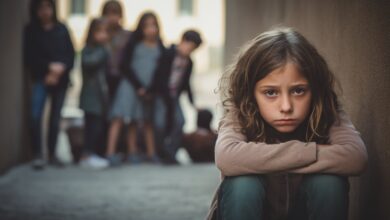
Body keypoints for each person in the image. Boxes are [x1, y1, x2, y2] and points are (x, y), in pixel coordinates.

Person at [206, 27, 368, 220]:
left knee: (328, 183)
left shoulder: (326, 109)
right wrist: (308, 153)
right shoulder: (241, 112)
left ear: (314, 89)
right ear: (251, 93)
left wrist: (269, 159)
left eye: (298, 91)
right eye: (271, 92)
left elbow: (355, 157)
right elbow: (227, 158)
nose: (286, 106)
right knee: (244, 184)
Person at [106, 12, 164, 165]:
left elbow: (160, 72)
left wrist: (149, 89)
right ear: (141, 28)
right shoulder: (134, 43)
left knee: (140, 119)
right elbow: (124, 66)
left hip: (147, 90)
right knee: (118, 117)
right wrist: (138, 86)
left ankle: (136, 153)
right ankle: (110, 153)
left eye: (154, 25)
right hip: (130, 86)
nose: (151, 29)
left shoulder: (160, 46)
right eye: (147, 26)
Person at [24, 0, 75, 170]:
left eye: (48, 7)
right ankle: (38, 154)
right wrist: (48, 68)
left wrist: (59, 70)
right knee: (35, 116)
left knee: (55, 119)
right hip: (41, 78)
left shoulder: (62, 29)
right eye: (41, 8)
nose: (45, 11)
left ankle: (52, 154)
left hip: (60, 80)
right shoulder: (31, 31)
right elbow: (29, 57)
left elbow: (70, 54)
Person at [152, 30, 203, 164]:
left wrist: (193, 103)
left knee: (180, 121)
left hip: (174, 97)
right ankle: (158, 153)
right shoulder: (168, 53)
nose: (189, 51)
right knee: (159, 124)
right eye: (188, 46)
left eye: (192, 49)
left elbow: (187, 84)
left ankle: (171, 153)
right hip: (161, 95)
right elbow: (159, 76)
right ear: (182, 41)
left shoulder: (189, 62)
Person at [78, 18, 110, 169]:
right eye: (99, 32)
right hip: (90, 96)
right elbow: (88, 62)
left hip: (100, 97)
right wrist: (102, 52)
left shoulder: (103, 49)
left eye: (105, 32)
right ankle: (86, 155)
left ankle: (92, 154)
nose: (103, 35)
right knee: (91, 128)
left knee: (97, 128)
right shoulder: (90, 50)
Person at [101, 0, 131, 101]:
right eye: (108, 14)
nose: (111, 18)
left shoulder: (127, 36)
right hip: (103, 78)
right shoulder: (99, 35)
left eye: (115, 13)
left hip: (121, 78)